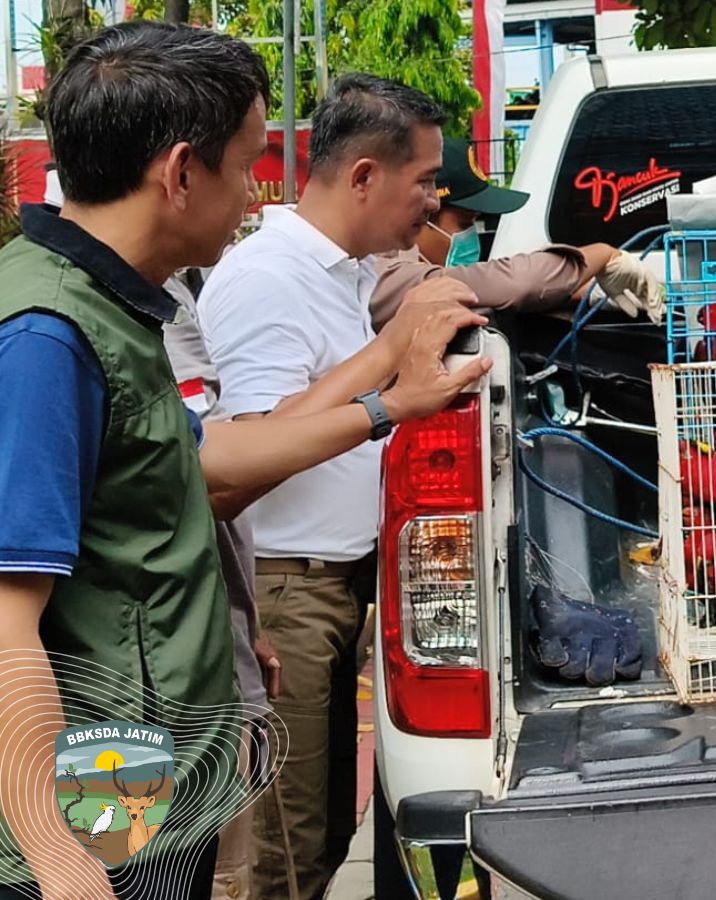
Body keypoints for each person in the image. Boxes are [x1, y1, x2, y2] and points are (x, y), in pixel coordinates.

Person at [0, 24, 488, 900]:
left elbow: (198, 468)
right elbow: (6, 623)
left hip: (145, 744)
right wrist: (63, 857)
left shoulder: (113, 308)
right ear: (182, 172)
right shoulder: (48, 335)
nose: (259, 189)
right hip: (98, 768)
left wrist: (386, 404)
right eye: (249, 161)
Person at [196, 74, 490, 899]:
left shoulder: (345, 273)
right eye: (425, 181)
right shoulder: (268, 276)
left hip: (328, 590)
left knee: (321, 838)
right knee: (281, 859)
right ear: (362, 176)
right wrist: (387, 369)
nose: (435, 203)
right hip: (288, 589)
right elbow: (245, 449)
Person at [369, 136, 662, 329]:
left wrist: (586, 293)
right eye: (464, 223)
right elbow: (507, 283)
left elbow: (497, 294)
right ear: (421, 216)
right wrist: (602, 255)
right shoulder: (380, 274)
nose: (470, 236)